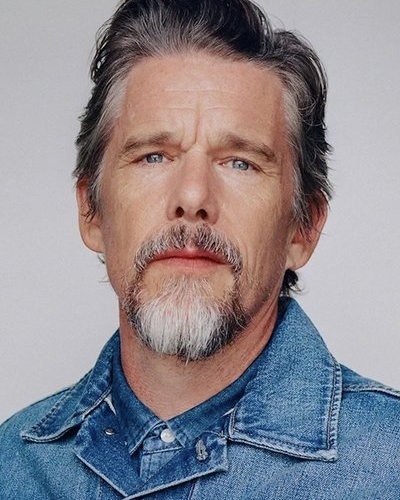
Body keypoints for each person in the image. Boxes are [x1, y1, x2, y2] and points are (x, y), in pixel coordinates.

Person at [1, 0, 399, 498]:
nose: (192, 197)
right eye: (153, 156)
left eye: (240, 163)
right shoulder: (13, 466)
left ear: (303, 228)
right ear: (91, 212)